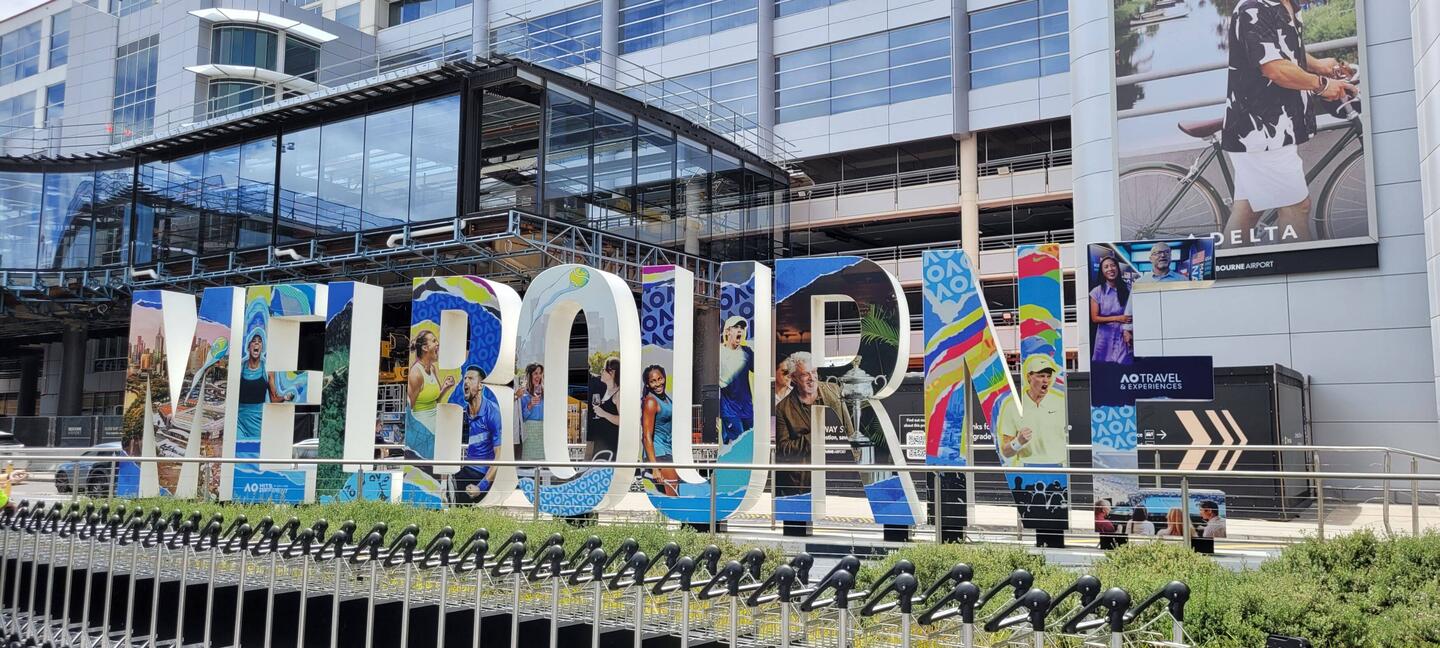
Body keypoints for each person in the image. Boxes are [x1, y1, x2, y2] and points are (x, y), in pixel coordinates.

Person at [1220, 0, 1357, 246]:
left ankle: (1224, 264)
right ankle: (1301, 268)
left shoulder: (1287, 4)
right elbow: (1275, 68)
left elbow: (1281, 48)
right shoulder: (1252, 9)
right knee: (1297, 206)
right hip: (1261, 131)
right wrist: (1322, 85)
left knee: (1249, 211)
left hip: (1275, 128)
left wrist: (1318, 65)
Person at [773, 351, 854, 496]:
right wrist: (817, 436)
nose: (812, 378)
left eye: (814, 372)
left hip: (835, 478)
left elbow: (849, 431)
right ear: (793, 378)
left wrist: (852, 462)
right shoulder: (782, 409)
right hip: (802, 483)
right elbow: (783, 449)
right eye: (805, 374)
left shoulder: (833, 391)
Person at [998, 355, 1066, 467]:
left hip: (1059, 466)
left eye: (1049, 376)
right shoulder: (1011, 405)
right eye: (1041, 376)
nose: (1046, 380)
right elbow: (1006, 452)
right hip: (1026, 468)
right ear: (1029, 377)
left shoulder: (1061, 402)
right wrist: (1018, 442)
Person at [453, 366, 501, 504]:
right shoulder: (465, 412)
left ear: (480, 386)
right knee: (442, 486)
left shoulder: (492, 412)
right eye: (465, 379)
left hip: (483, 476)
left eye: (471, 378)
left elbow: (500, 456)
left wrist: (481, 487)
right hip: (468, 470)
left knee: (453, 492)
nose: (466, 382)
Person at [407, 330, 456, 461]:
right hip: (422, 436)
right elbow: (409, 411)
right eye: (434, 341)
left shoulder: (433, 368)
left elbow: (435, 400)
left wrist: (445, 387)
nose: (438, 343)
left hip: (435, 432)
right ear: (425, 348)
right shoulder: (416, 374)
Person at [641, 365, 678, 497]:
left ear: (664, 378)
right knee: (673, 496)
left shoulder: (666, 399)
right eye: (653, 381)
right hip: (659, 454)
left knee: (669, 496)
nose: (657, 384)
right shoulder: (651, 401)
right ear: (648, 384)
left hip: (668, 450)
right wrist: (655, 468)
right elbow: (646, 436)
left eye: (660, 379)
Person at [1089, 256, 1133, 365]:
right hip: (1104, 340)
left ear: (1117, 268)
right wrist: (1118, 318)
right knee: (1104, 369)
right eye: (1106, 267)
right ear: (1102, 271)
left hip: (1123, 336)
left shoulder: (1128, 289)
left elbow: (1132, 314)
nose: (1110, 269)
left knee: (1123, 367)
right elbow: (1095, 318)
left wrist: (1128, 331)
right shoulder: (1097, 292)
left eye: (1113, 266)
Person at [718, 316, 754, 444]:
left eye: (742, 328)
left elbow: (760, 369)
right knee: (735, 445)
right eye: (736, 327)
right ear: (728, 331)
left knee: (748, 444)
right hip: (729, 410)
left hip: (747, 409)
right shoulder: (719, 352)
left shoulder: (747, 352)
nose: (740, 330)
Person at [587, 357, 621, 461]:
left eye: (603, 370)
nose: (601, 372)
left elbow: (622, 420)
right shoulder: (606, 390)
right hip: (600, 443)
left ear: (612, 373)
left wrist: (604, 414)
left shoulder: (618, 394)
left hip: (611, 445)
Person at [516, 363, 546, 467]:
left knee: (542, 465)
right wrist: (529, 406)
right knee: (528, 466)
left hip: (542, 432)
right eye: (535, 373)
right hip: (529, 432)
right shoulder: (523, 394)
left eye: (540, 373)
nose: (538, 376)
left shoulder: (545, 393)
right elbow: (521, 418)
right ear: (529, 375)